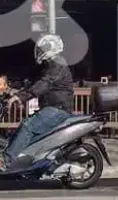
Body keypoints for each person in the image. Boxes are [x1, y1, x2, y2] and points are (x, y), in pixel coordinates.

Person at [4, 33, 74, 172]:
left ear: (51, 48)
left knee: (28, 127)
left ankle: (7, 162)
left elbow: (43, 84)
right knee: (25, 127)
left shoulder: (57, 65)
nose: (40, 52)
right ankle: (25, 159)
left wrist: (20, 97)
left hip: (57, 109)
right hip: (52, 107)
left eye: (43, 49)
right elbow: (35, 82)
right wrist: (17, 90)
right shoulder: (50, 65)